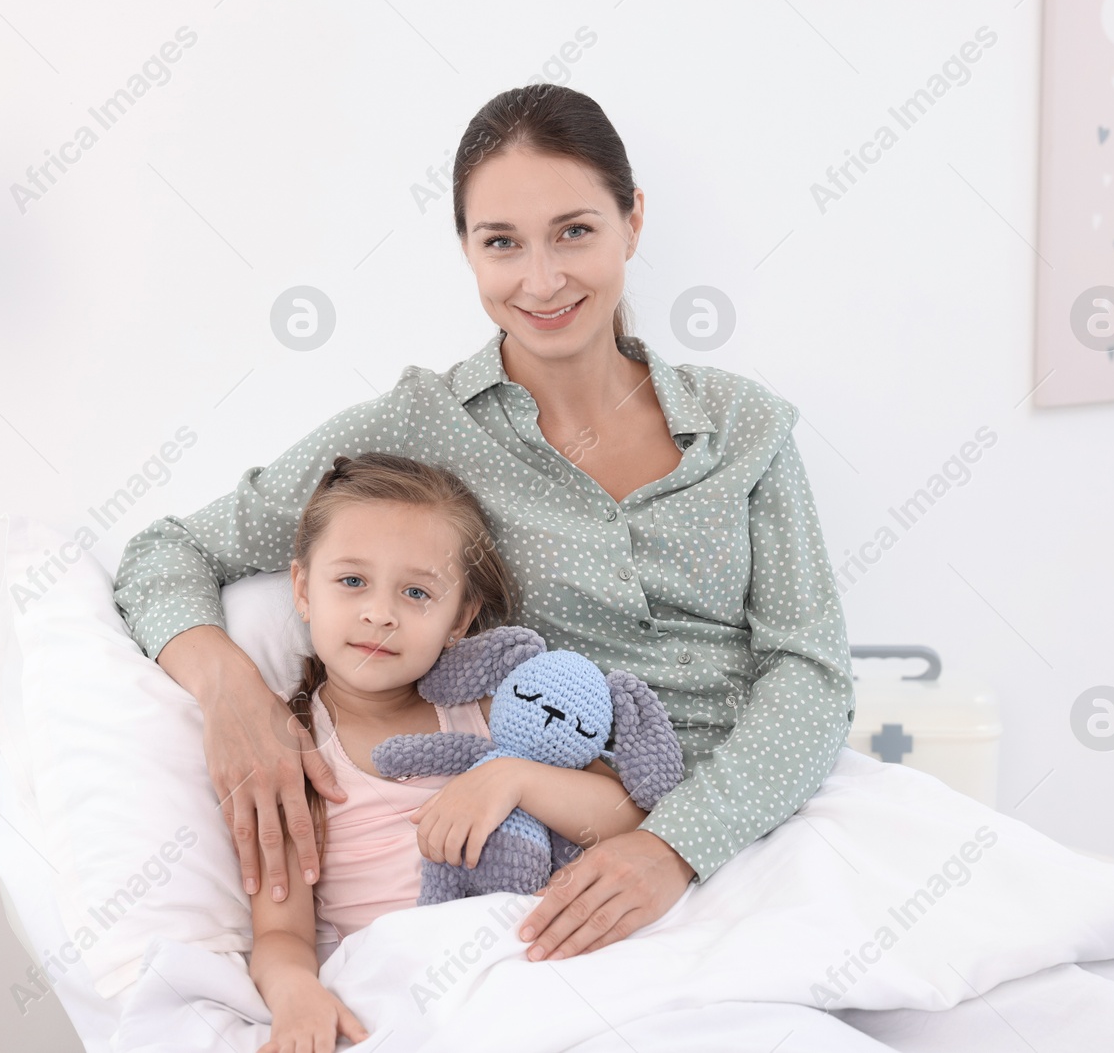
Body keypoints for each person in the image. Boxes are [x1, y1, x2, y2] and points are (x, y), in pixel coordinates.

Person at [113, 82, 855, 966]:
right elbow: (169, 550)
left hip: (766, 821)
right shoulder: (420, 425)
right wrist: (236, 696)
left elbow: (809, 672)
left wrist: (674, 846)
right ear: (466, 250)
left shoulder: (743, 426)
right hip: (555, 855)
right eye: (501, 243)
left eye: (575, 231)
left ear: (634, 221)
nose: (541, 281)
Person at [252, 451, 652, 1052]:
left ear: (460, 617)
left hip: (532, 958)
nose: (379, 613)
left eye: (416, 592)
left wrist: (514, 779)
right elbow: (280, 933)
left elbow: (627, 819)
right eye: (352, 580)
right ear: (304, 589)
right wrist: (294, 993)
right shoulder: (289, 752)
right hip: (407, 984)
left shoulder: (495, 713)